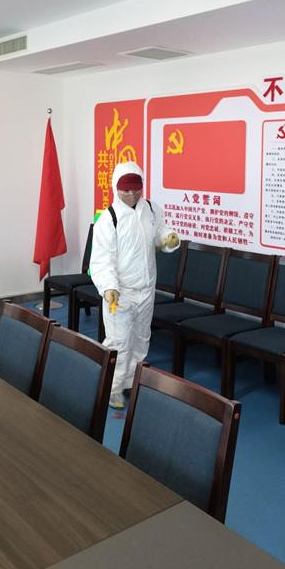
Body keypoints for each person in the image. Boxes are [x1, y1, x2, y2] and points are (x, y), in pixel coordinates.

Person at [90, 161, 180, 409]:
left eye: (136, 189)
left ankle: (131, 382)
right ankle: (112, 389)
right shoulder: (109, 219)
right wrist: (109, 287)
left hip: (146, 288)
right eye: (125, 190)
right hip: (120, 293)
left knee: (141, 338)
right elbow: (102, 260)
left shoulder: (151, 209)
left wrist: (169, 239)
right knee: (118, 342)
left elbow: (160, 233)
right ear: (115, 188)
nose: (131, 195)